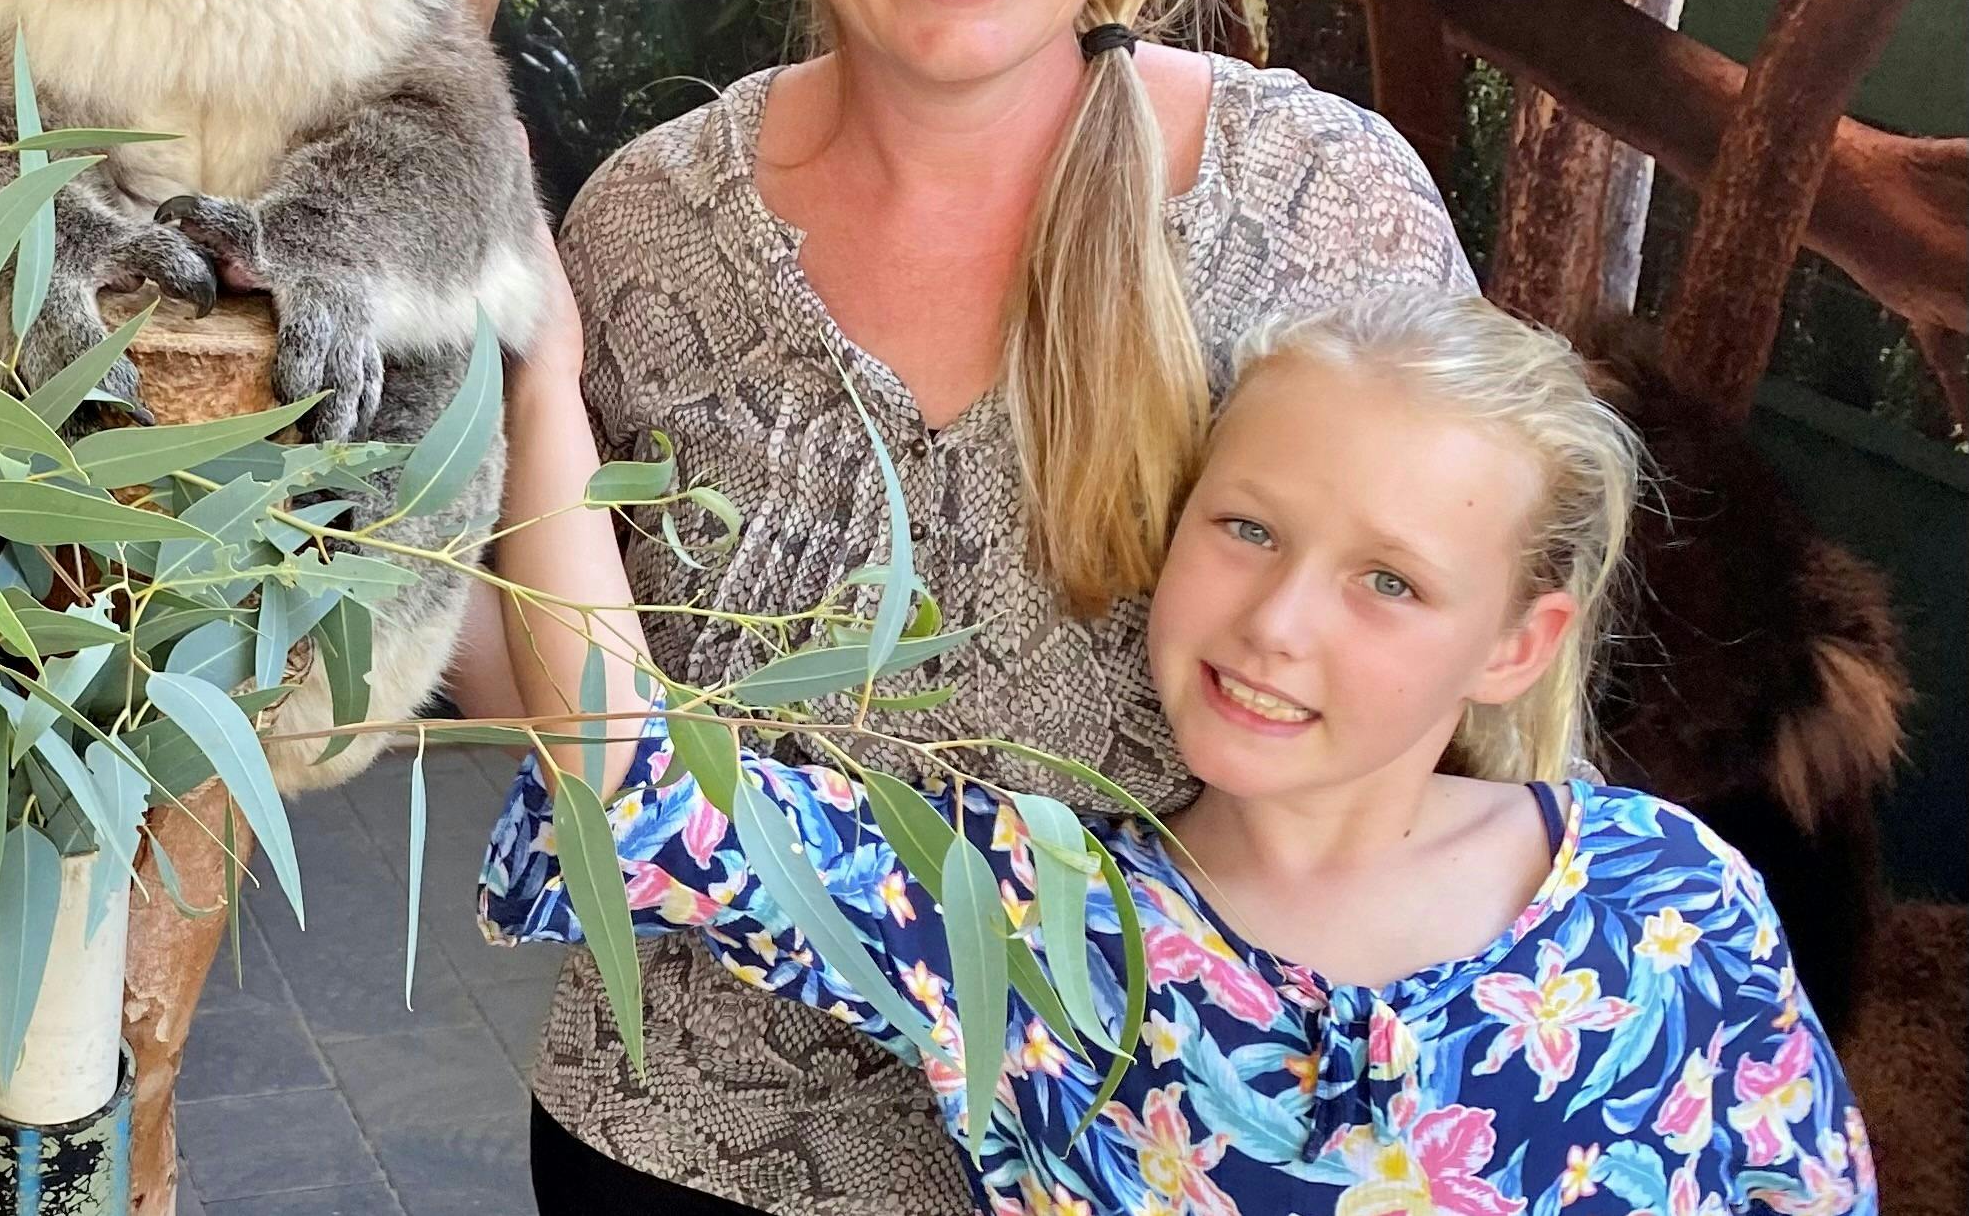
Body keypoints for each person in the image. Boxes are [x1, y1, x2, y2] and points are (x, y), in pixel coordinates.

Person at [453, 0, 1476, 1215]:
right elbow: (548, 704)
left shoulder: (1324, 215)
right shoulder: (644, 227)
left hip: (1157, 1159)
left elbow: (1447, 745)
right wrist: (384, 494)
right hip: (683, 1145)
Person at [478, 287, 1873, 1215]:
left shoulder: (1671, 907)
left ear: (1516, 642)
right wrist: (543, 377)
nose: (1276, 622)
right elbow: (638, 791)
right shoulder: (1035, 919)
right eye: (1248, 528)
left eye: (1391, 582)